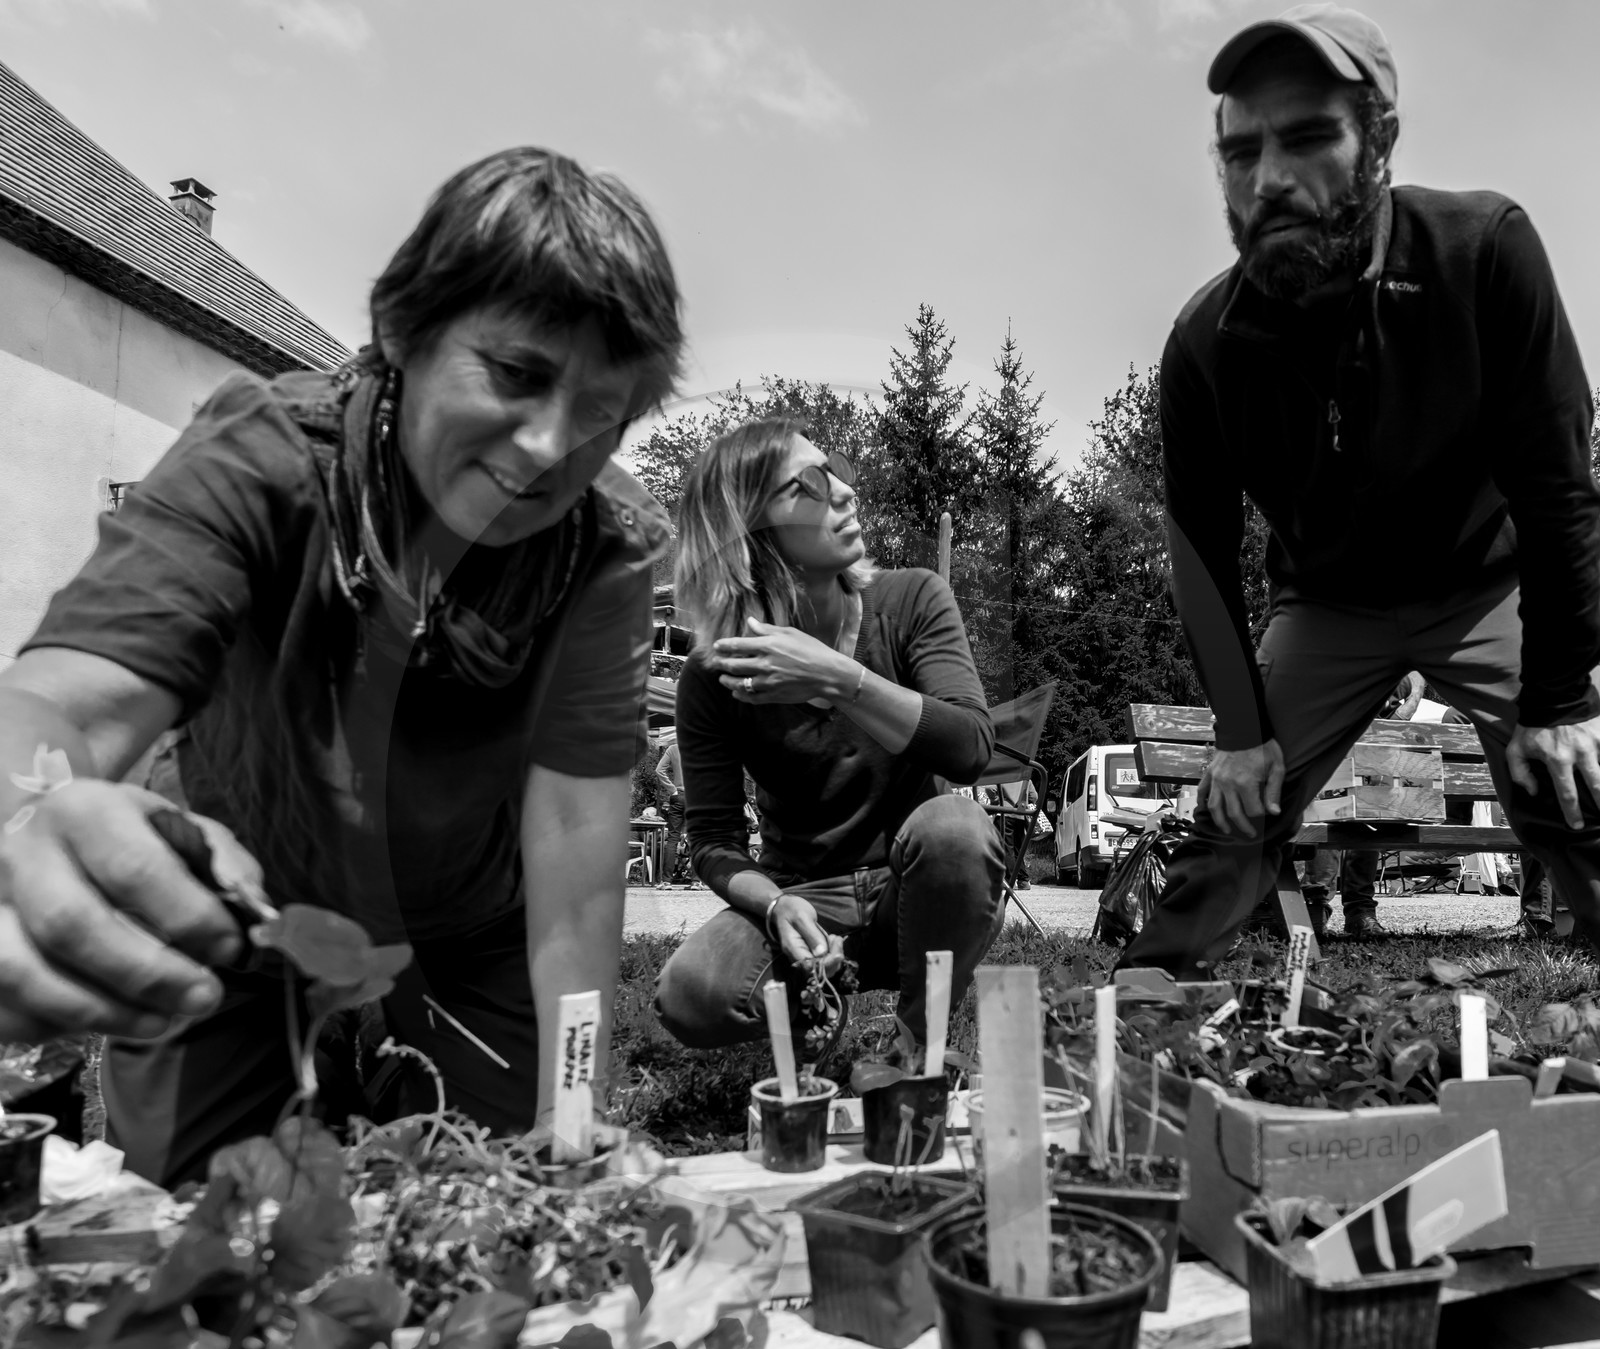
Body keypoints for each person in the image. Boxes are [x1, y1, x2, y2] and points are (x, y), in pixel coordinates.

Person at [0, 148, 683, 1183]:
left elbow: (573, 841)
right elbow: (74, 703)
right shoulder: (261, 455)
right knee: (200, 1222)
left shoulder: (605, 552)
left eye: (604, 410)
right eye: (516, 374)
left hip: (470, 934)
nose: (553, 445)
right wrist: (26, 816)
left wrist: (573, 1106)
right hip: (237, 911)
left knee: (510, 1206)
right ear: (406, 331)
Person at [1120, 5, 1600, 979]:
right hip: (1327, 606)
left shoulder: (1482, 253)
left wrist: (1558, 698)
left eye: (1306, 137)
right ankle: (1149, 982)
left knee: (1564, 779)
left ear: (1378, 141)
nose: (1268, 177)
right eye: (1240, 151)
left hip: (1484, 586)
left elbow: (1559, 490)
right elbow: (1200, 553)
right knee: (1241, 797)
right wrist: (1240, 733)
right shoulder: (1206, 345)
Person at [654, 419, 1005, 1057]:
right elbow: (713, 840)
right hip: (803, 895)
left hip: (913, 883)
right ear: (746, 532)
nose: (844, 491)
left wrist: (842, 679)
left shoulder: (913, 599)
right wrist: (772, 905)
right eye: (808, 485)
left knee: (956, 829)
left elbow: (971, 749)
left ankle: (916, 1050)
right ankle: (819, 999)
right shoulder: (715, 673)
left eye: (835, 471)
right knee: (690, 992)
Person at [1302, 671, 1420, 937]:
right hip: (1327, 739)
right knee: (1325, 810)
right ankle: (1316, 906)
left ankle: (1359, 912)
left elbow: (1414, 675)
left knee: (1371, 815)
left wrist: (1410, 701)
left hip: (1372, 748)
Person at [653, 731, 691, 883]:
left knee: (673, 838)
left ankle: (666, 881)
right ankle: (696, 881)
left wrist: (672, 789)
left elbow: (659, 770)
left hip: (678, 796)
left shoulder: (673, 749)